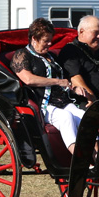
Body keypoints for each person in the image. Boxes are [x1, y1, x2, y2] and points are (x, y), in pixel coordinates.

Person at [10, 18, 88, 154]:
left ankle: (96, 157)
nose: (50, 43)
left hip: (63, 101)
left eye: (50, 40)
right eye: (46, 40)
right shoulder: (22, 55)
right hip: (42, 105)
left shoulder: (51, 56)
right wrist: (57, 81)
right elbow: (28, 79)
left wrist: (74, 88)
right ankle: (79, 159)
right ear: (34, 38)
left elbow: (63, 80)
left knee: (84, 117)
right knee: (66, 118)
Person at [58, 15, 99, 105]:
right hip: (86, 100)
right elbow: (75, 78)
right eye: (96, 33)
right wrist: (93, 99)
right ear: (82, 32)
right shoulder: (70, 50)